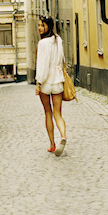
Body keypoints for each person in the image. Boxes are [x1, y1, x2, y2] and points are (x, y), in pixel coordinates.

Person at [35, 16, 67, 156]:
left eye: (42, 25)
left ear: (48, 26)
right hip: (58, 80)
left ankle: (53, 144)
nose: (39, 28)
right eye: (38, 25)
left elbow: (42, 65)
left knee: (48, 112)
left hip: (46, 82)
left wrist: (38, 83)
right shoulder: (58, 40)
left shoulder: (42, 43)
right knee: (58, 113)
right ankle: (63, 136)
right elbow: (62, 60)